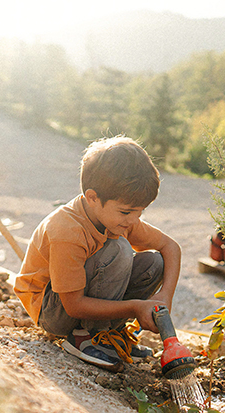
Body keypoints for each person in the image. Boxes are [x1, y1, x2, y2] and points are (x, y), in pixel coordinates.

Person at [13, 136, 182, 373]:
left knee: (154, 262)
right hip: (54, 309)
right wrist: (135, 307)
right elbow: (73, 305)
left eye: (140, 211)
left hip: (76, 300)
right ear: (92, 198)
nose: (134, 220)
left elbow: (171, 247)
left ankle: (108, 334)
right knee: (119, 249)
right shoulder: (67, 230)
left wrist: (165, 296)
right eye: (126, 211)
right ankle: (83, 338)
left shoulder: (120, 219)